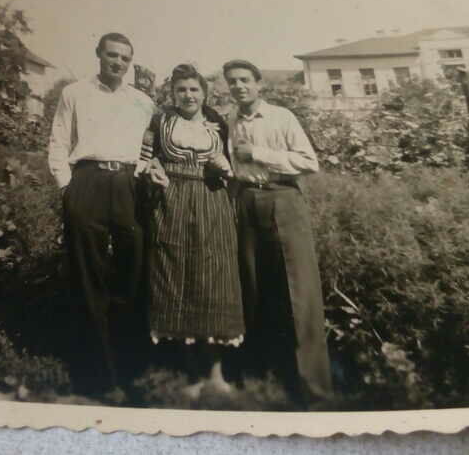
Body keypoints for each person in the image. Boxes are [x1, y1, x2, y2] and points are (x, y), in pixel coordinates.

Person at [47, 32, 156, 399]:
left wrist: (141, 172)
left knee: (132, 269)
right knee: (86, 275)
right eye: (112, 55)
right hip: (87, 182)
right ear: (99, 54)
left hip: (128, 185)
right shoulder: (74, 93)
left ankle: (129, 369)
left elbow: (148, 147)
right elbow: (59, 140)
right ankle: (94, 375)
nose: (118, 63)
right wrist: (67, 186)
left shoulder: (142, 102)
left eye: (125, 58)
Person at [222, 59, 333, 405]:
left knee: (297, 291)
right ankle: (265, 376)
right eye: (232, 82)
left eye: (244, 80)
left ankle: (311, 386)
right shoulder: (229, 121)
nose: (239, 86)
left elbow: (308, 162)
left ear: (259, 84)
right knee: (253, 287)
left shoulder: (281, 117)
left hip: (282, 199)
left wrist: (257, 152)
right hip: (245, 201)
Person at [141, 64, 245, 399]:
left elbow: (235, 167)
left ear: (204, 93)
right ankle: (190, 376)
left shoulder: (219, 125)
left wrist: (225, 167)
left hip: (212, 201)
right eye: (182, 90)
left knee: (214, 278)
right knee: (177, 278)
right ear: (173, 93)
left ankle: (216, 375)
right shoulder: (160, 121)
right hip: (171, 202)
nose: (188, 95)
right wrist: (153, 168)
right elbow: (142, 160)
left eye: (194, 90)